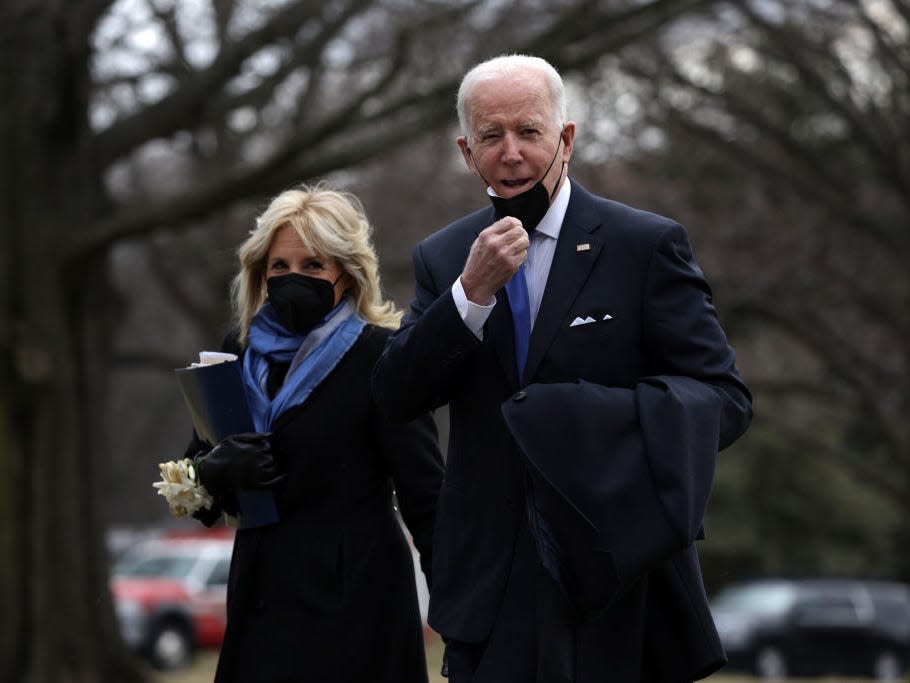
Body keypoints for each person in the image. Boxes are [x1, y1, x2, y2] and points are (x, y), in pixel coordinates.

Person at [372, 54, 753, 683]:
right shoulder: (444, 257)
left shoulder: (644, 245)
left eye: (529, 132)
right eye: (491, 137)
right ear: (468, 153)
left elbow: (725, 398)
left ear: (566, 139)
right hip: (491, 585)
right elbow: (394, 394)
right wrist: (469, 296)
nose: (512, 153)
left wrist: (588, 423)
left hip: (616, 567)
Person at [186, 184, 444, 683]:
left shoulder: (381, 355)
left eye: (312, 266)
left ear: (345, 277)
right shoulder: (235, 353)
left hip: (356, 600)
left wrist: (459, 611)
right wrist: (213, 470)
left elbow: (426, 493)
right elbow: (196, 485)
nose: (292, 278)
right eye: (278, 267)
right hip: (261, 594)